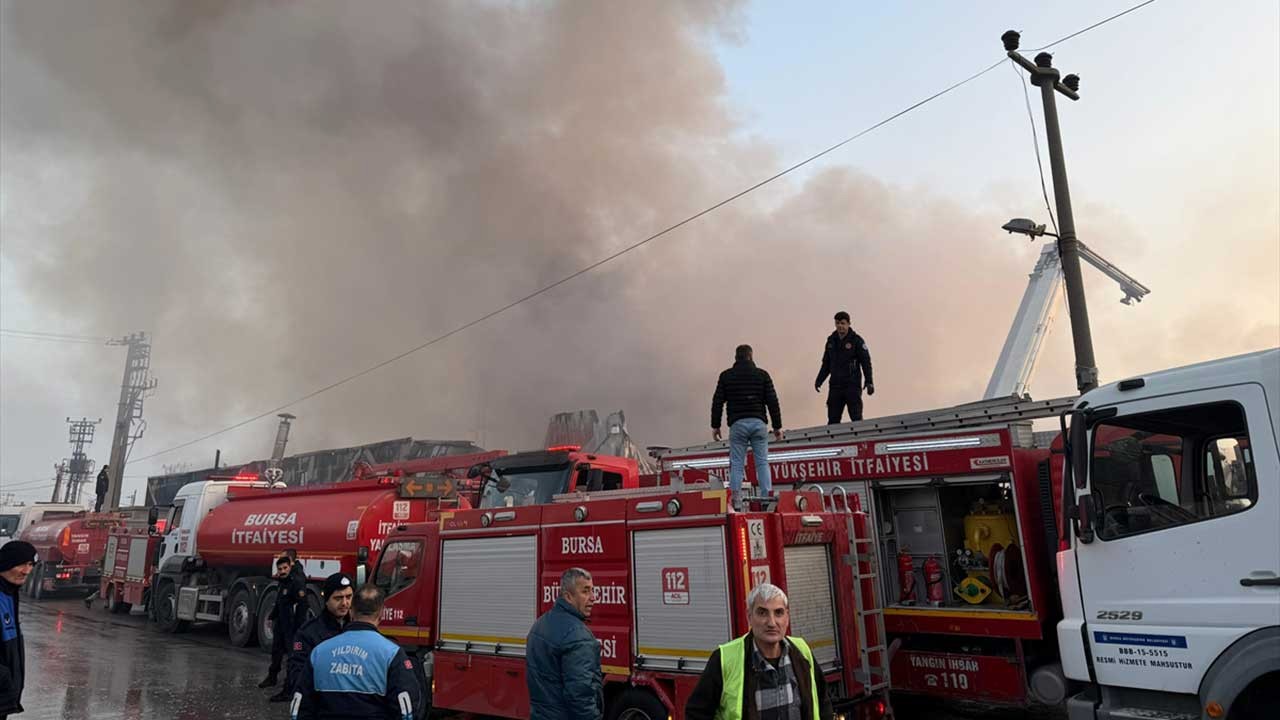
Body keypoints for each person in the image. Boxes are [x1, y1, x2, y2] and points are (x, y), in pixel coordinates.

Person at [685, 583, 832, 720]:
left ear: (787, 617)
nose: (772, 622)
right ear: (749, 617)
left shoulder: (801, 650)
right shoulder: (725, 658)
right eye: (762, 613)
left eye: (778, 613)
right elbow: (696, 713)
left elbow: (823, 703)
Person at [291, 584, 420, 720]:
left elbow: (300, 705)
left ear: (351, 611)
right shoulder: (392, 654)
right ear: (382, 613)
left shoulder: (319, 652)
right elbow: (406, 710)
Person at [712, 344, 783, 511]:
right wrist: (777, 426)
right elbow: (773, 401)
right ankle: (766, 499)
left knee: (737, 464)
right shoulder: (762, 375)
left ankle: (736, 501)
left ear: (736, 358)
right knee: (762, 462)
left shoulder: (726, 376)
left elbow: (717, 402)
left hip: (738, 424)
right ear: (751, 357)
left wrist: (715, 425)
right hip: (759, 424)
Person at [525, 567, 602, 720]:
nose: (593, 597)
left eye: (592, 591)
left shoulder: (539, 625)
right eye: (585, 591)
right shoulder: (578, 636)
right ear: (568, 596)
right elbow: (580, 696)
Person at [285, 573, 353, 701]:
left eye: (348, 597)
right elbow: (296, 675)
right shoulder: (308, 633)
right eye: (338, 598)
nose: (345, 603)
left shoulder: (357, 629)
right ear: (326, 600)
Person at [261, 554, 307, 700]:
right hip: (281, 623)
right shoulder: (282, 582)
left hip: (292, 626)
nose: (282, 571)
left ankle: (289, 689)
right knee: (276, 651)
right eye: (279, 569)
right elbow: (280, 601)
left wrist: (299, 629)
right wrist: (271, 617)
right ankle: (272, 677)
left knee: (292, 657)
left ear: (290, 567)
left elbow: (303, 606)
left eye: (285, 568)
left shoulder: (296, 582)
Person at [814, 311, 874, 423]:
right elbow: (826, 364)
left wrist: (869, 381)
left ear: (848, 324)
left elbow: (866, 362)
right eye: (837, 323)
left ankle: (859, 440)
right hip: (835, 386)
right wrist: (819, 380)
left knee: (856, 418)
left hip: (852, 385)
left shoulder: (857, 341)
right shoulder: (831, 341)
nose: (840, 326)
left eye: (843, 323)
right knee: (833, 420)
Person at [0, 541, 37, 719]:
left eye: (30, 564)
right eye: (21, 564)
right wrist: (4, 679)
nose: (27, 570)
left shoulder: (9, 593)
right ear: (5, 563)